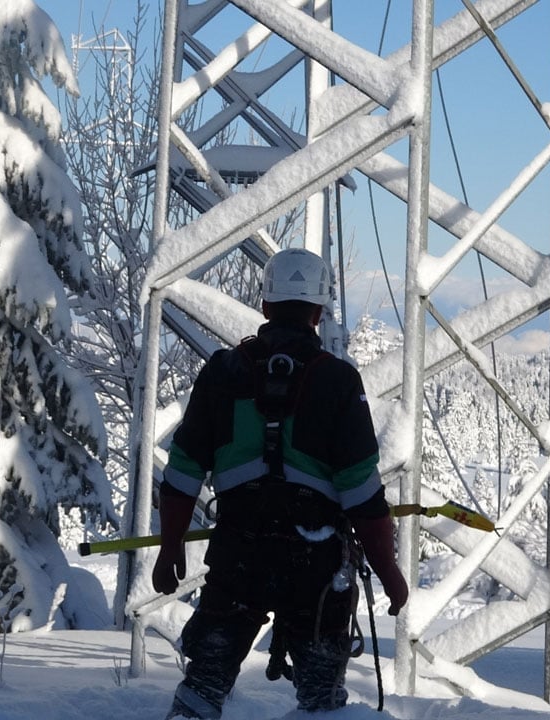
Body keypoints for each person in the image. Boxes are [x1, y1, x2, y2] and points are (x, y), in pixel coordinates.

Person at [152, 248, 409, 719]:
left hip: (238, 556)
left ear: (266, 305)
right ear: (319, 310)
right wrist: (388, 571)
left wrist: (171, 549)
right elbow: (362, 496)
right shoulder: (337, 381)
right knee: (321, 702)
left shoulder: (223, 374)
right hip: (315, 564)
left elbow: (183, 472)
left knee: (204, 686)